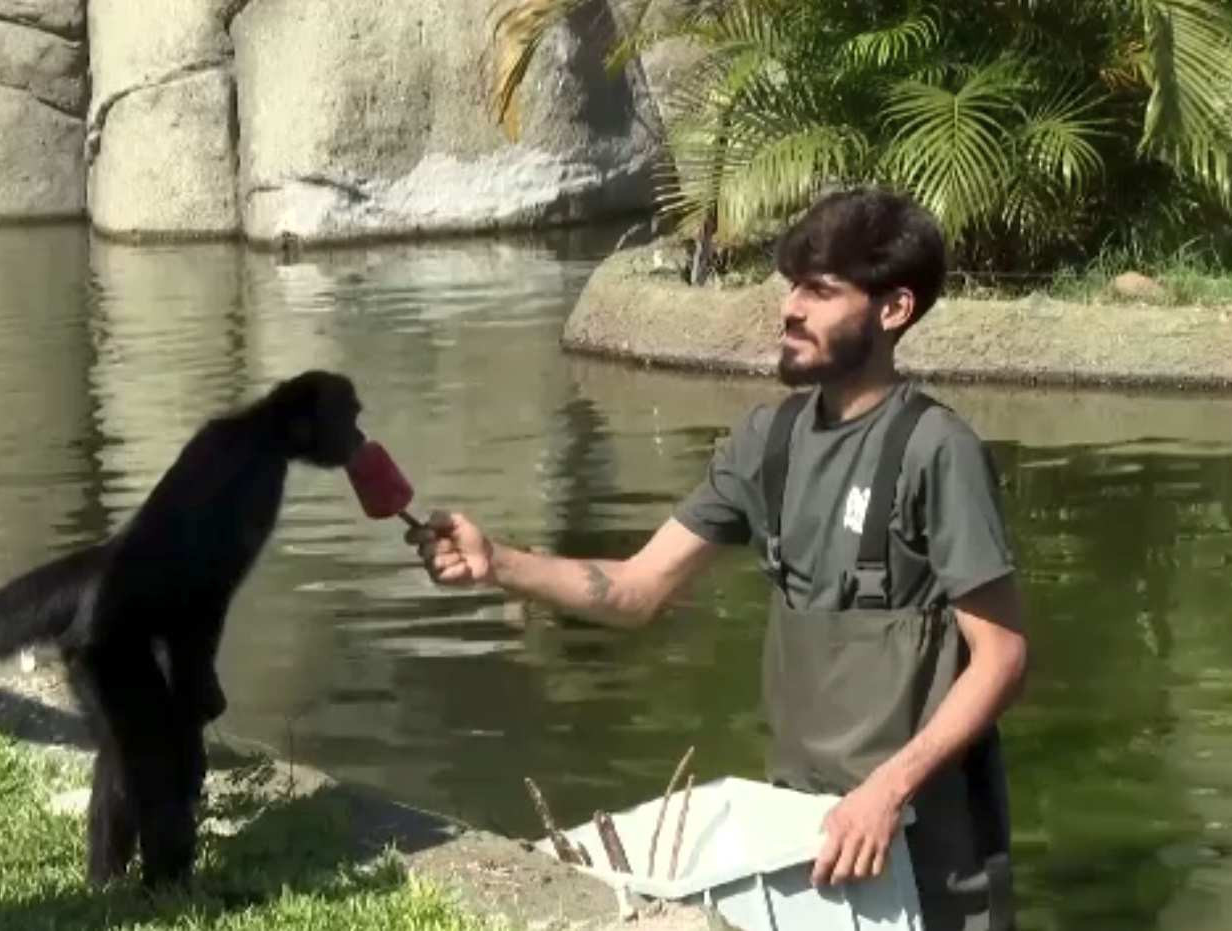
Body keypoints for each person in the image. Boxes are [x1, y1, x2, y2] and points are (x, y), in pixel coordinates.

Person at [406, 187, 1028, 931]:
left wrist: (886, 792)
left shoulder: (937, 451)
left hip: (927, 846)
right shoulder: (768, 442)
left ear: (894, 309)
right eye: (792, 286)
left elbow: (1002, 656)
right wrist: (498, 563)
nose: (790, 308)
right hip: (803, 834)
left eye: (820, 290)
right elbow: (637, 589)